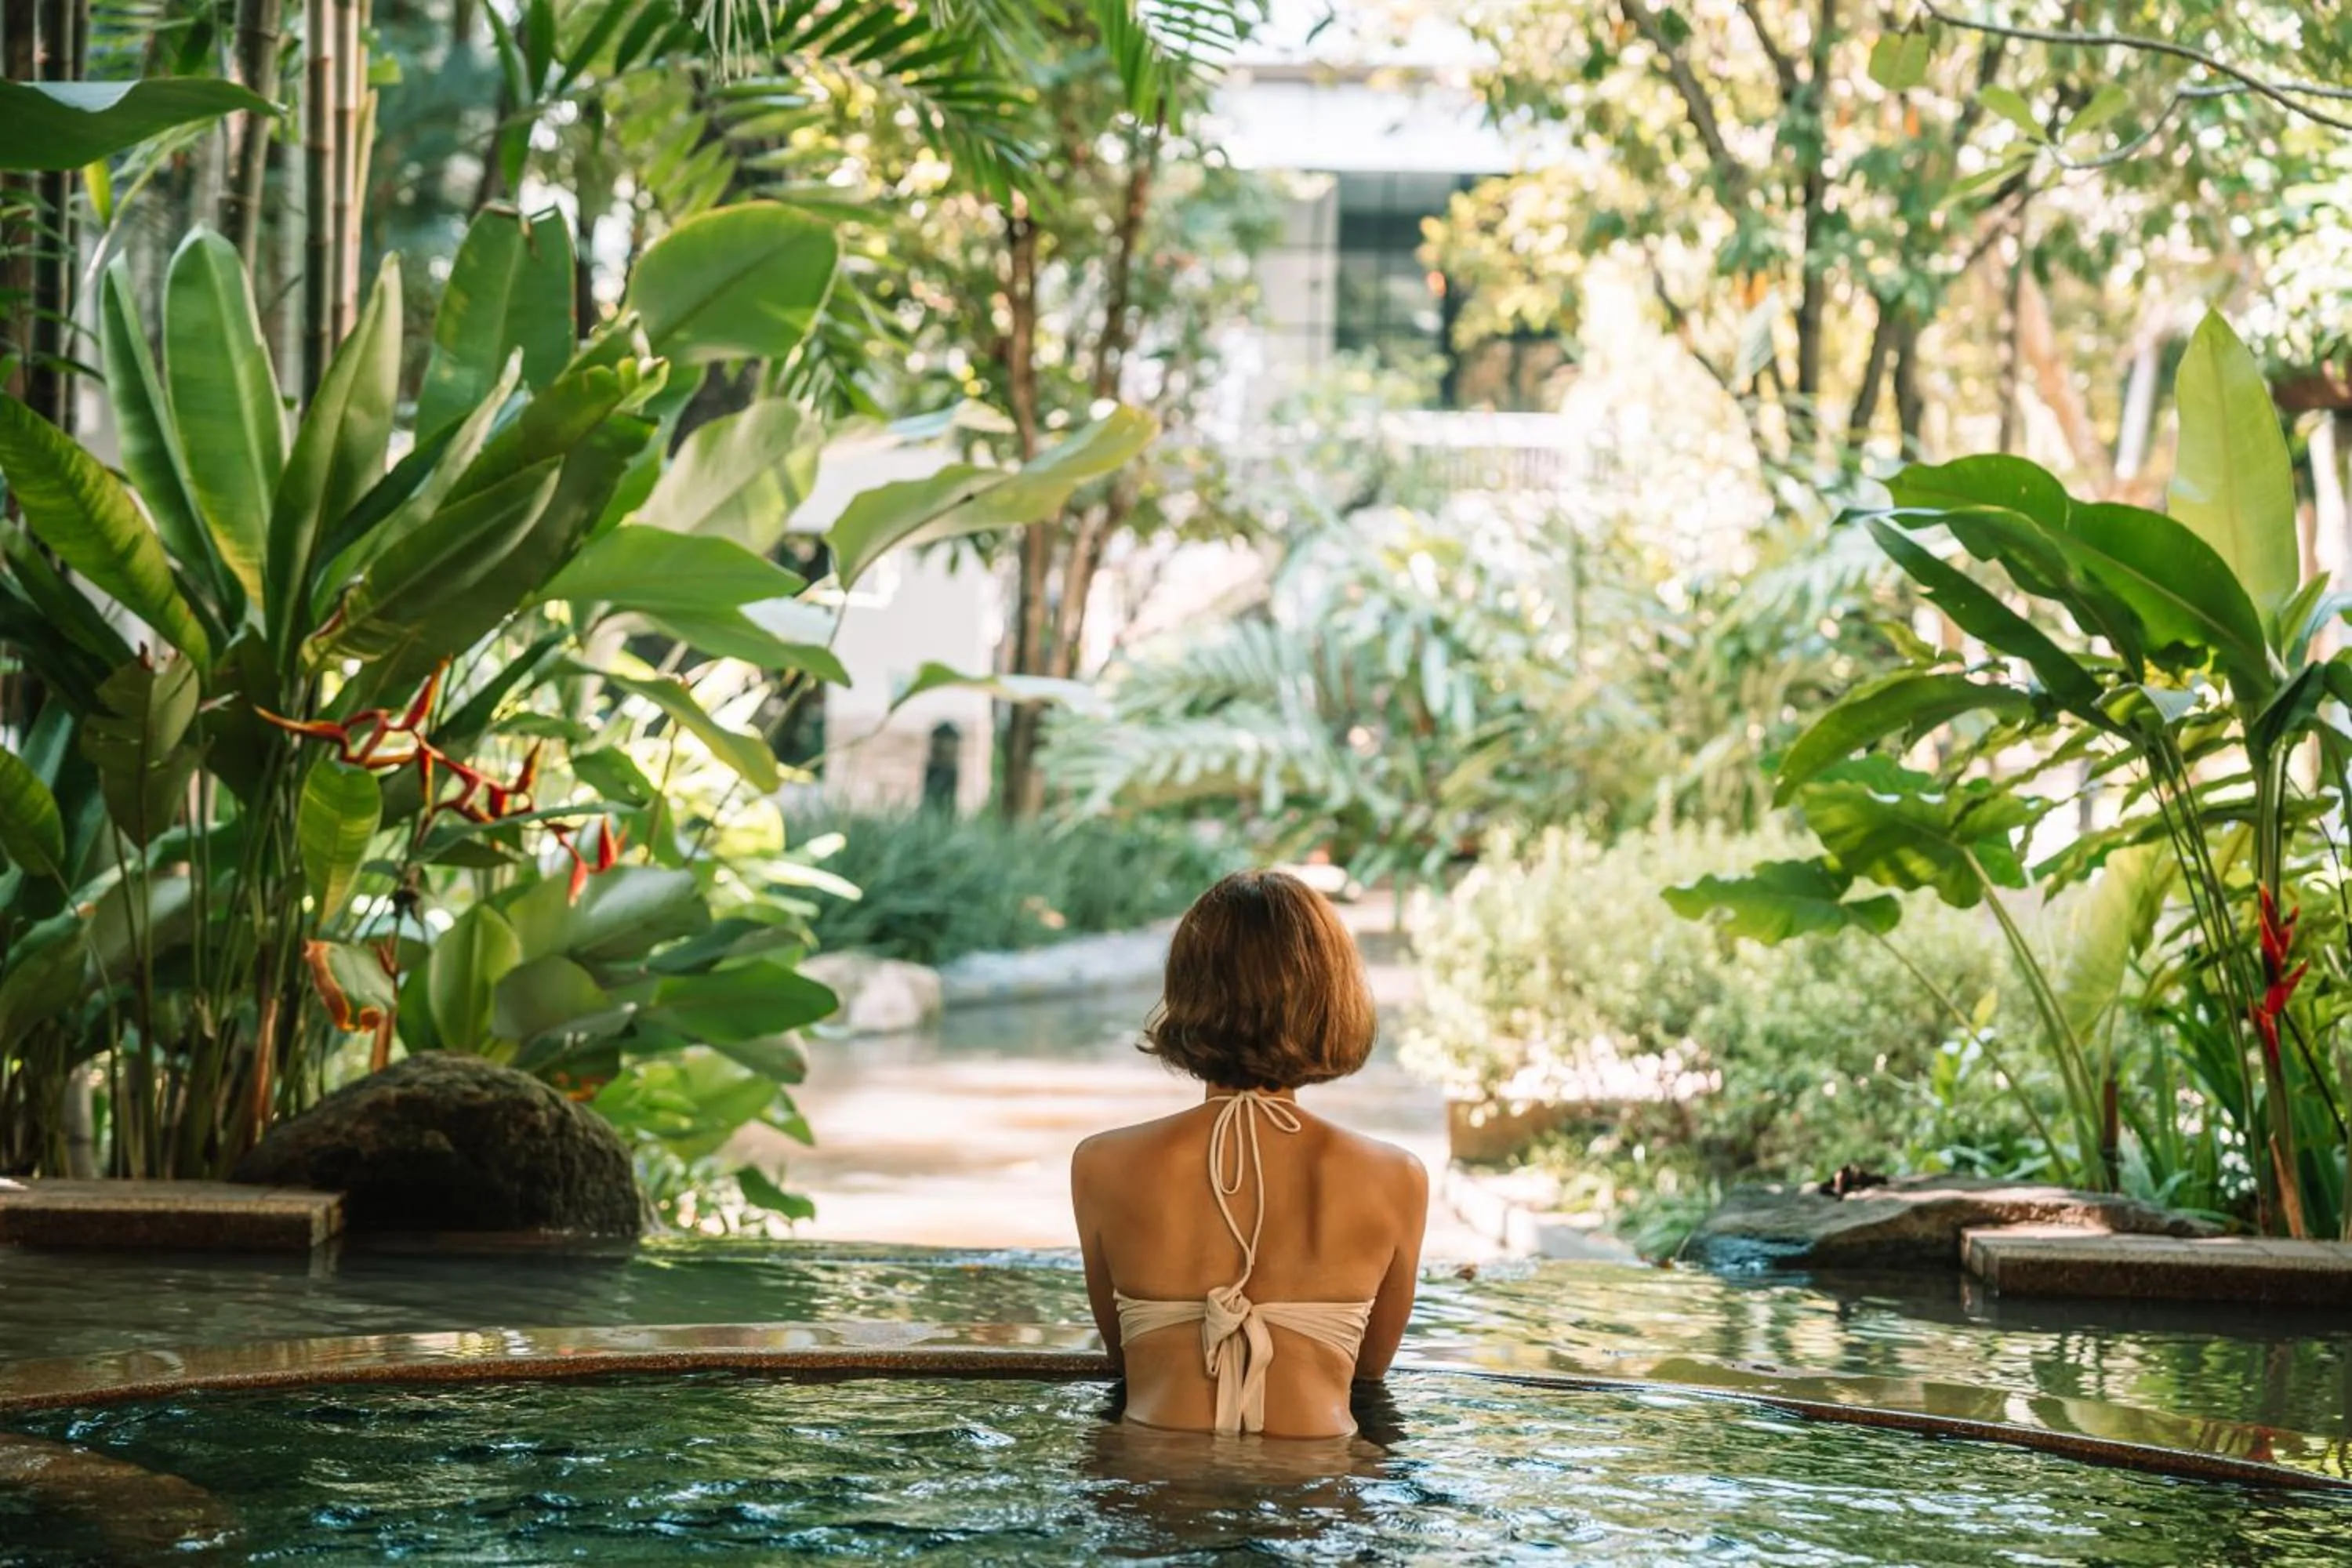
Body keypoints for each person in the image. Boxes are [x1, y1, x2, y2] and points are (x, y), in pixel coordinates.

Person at [1070, 869, 1427, 1440]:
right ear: (1329, 998)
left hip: (1152, 1484)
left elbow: (1125, 1361)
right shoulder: (1395, 1177)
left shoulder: (1102, 1164)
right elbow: (1367, 1372)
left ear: (1185, 991)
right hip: (1320, 1494)